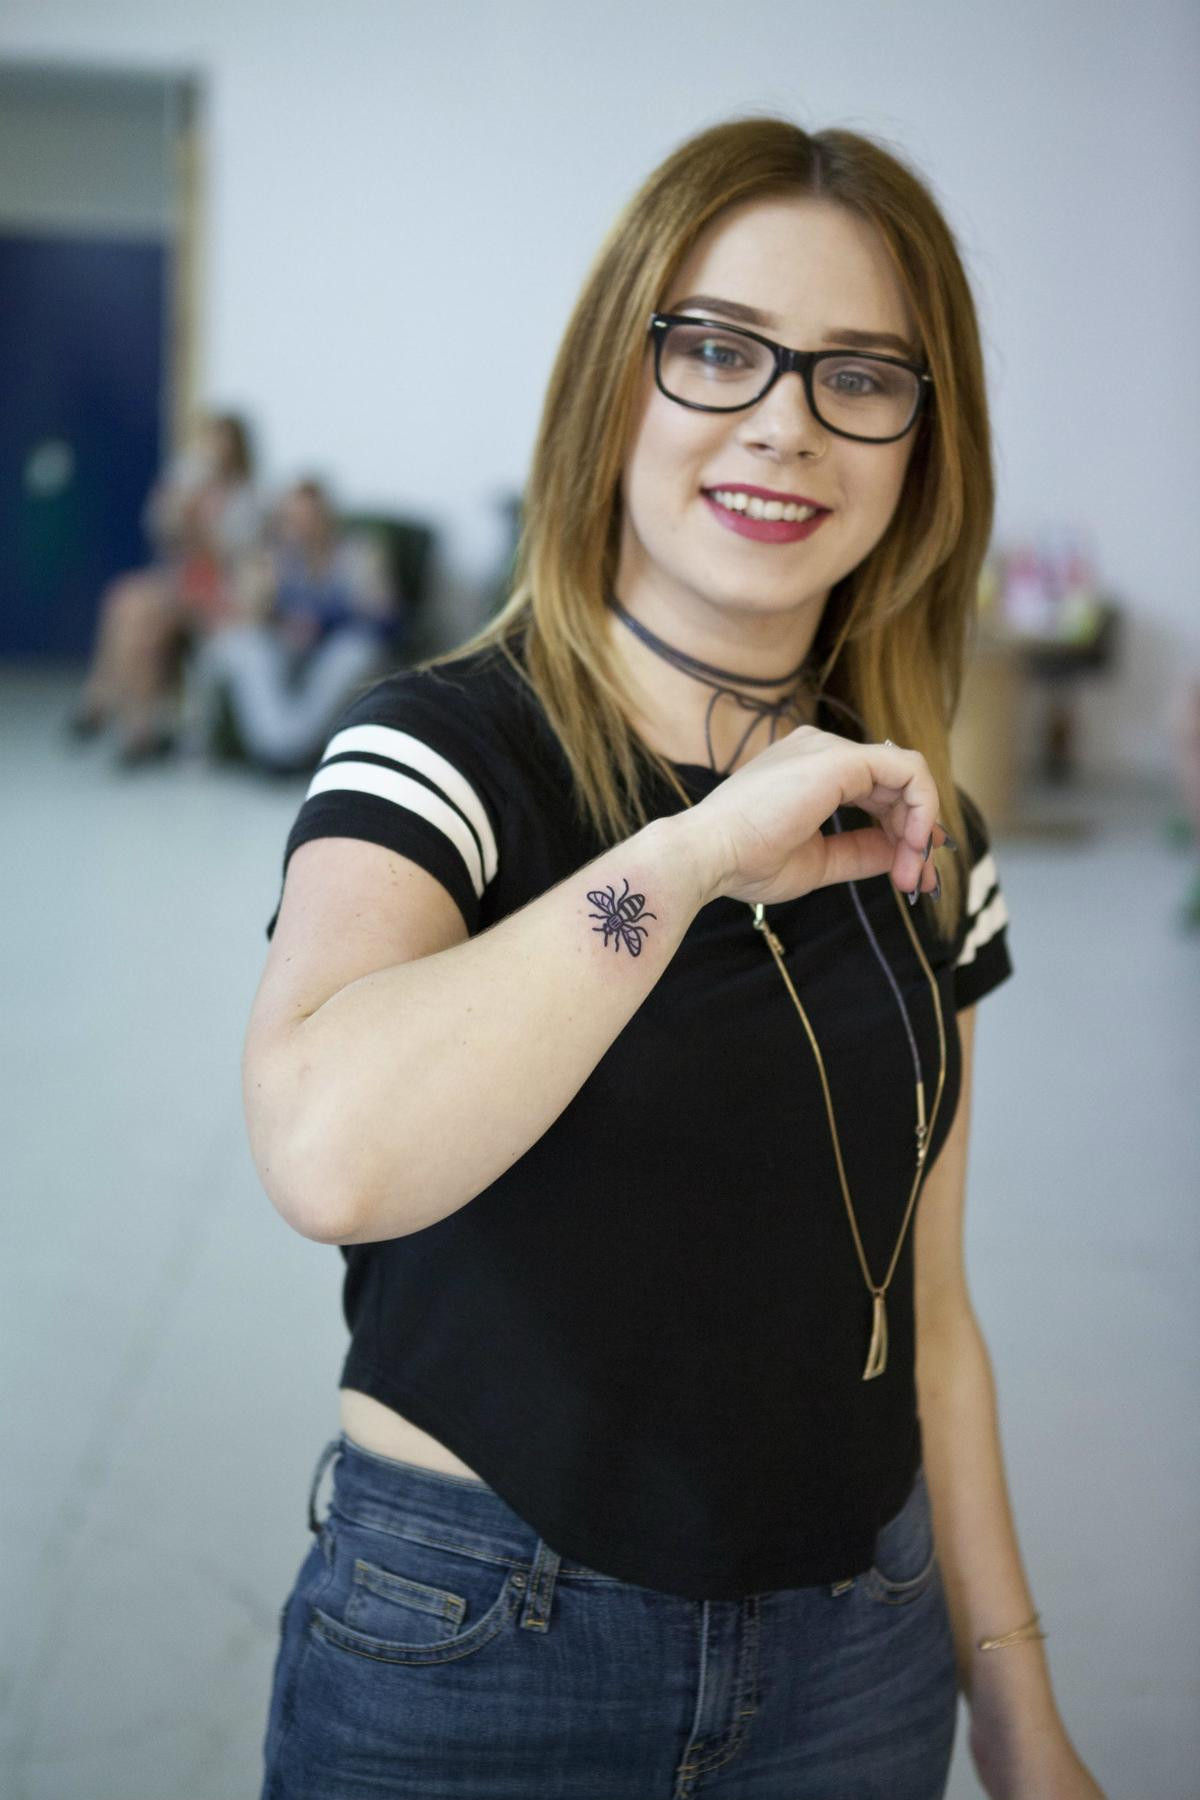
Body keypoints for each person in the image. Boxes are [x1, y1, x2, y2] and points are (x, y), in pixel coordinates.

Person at [244, 119, 1106, 1798]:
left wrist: (1014, 1701)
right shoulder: (437, 757)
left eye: (862, 375)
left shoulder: (932, 835)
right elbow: (327, 1151)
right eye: (716, 350)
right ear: (611, 387)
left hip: (863, 1655)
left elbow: (932, 1314)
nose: (784, 420)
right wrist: (702, 848)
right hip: (479, 1646)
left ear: (925, 445)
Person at [68, 412, 262, 765]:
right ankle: (136, 727)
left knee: (140, 612)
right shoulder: (187, 482)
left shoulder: (247, 498)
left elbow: (230, 560)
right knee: (129, 606)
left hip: (217, 591)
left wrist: (202, 523)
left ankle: (101, 699)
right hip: (181, 582)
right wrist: (181, 505)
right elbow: (161, 533)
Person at [184, 478, 398, 773]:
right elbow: (247, 616)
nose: (302, 527)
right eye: (292, 520)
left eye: (310, 518)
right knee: (243, 644)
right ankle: (272, 742)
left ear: (327, 518)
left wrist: (324, 622)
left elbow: (384, 616)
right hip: (289, 650)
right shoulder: (274, 558)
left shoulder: (359, 553)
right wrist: (267, 591)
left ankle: (291, 746)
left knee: (356, 650)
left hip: (336, 652)